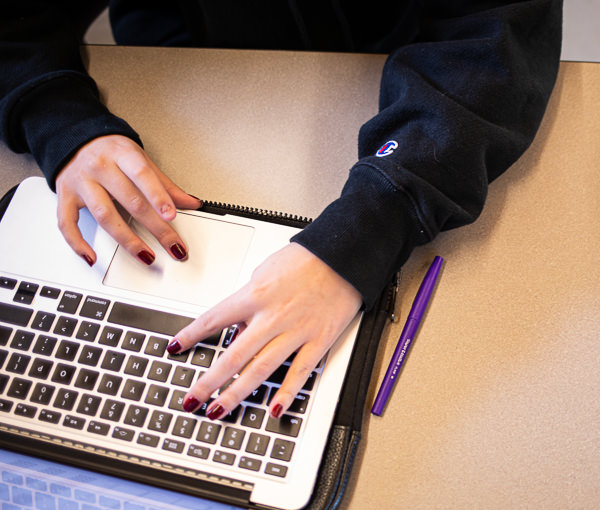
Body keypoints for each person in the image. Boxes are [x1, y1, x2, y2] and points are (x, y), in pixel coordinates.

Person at [0, 1, 562, 422]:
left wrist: (367, 227)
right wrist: (57, 115)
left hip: (393, 73)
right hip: (191, 68)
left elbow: (498, 39)